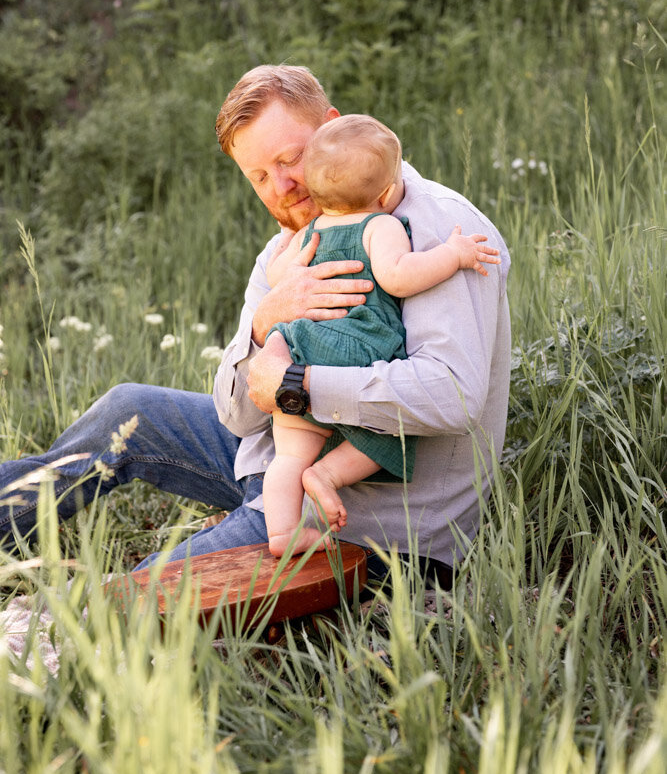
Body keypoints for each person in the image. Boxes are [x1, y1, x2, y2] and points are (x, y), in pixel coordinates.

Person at [0, 64, 511, 588]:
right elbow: (238, 415)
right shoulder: (287, 247)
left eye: (292, 159)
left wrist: (298, 387)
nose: (283, 187)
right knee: (128, 408)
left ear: (334, 126)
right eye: (260, 176)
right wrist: (269, 319)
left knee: (138, 595)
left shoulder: (439, 234)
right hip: (277, 464)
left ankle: (64, 627)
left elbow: (454, 395)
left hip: (367, 522)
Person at [260, 113, 501, 557]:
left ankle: (282, 533)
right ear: (387, 192)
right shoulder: (381, 225)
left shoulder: (308, 232)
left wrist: (281, 281)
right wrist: (453, 254)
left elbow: (280, 277)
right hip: (355, 347)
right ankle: (329, 474)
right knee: (388, 428)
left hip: (301, 342)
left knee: (287, 457)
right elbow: (398, 277)